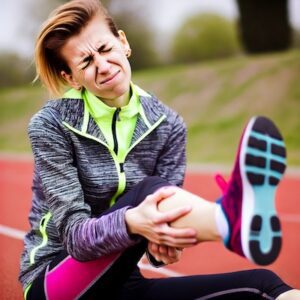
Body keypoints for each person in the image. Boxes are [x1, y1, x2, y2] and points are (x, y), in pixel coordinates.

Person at [19, 0, 300, 299]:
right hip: (54, 282)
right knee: (150, 191)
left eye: (104, 49)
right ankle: (229, 219)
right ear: (71, 78)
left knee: (264, 286)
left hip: (123, 281)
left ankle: (232, 221)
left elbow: (157, 248)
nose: (102, 66)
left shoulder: (168, 126)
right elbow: (76, 239)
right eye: (86, 62)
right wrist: (132, 221)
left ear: (123, 43)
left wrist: (163, 246)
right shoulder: (51, 125)